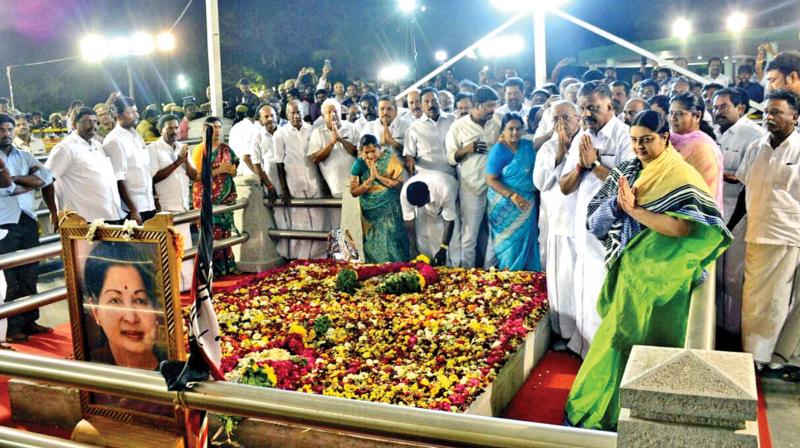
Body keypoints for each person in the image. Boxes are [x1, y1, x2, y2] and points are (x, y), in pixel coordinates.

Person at [565, 110, 731, 430]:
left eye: (647, 140)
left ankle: (651, 415)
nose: (639, 147)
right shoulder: (626, 169)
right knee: (617, 339)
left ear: (665, 137)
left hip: (668, 277)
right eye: (634, 140)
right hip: (631, 271)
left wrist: (635, 210)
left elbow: (683, 230)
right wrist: (616, 205)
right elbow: (594, 222)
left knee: (658, 343)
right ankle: (604, 412)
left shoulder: (681, 174)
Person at [559, 81, 634, 357]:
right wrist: (580, 166)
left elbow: (628, 185)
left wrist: (594, 165)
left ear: (610, 107)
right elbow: (565, 186)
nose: (587, 114)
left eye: (593, 108)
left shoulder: (626, 136)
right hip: (582, 224)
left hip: (612, 229)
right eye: (583, 108)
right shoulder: (582, 138)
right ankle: (584, 347)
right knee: (583, 284)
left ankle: (604, 351)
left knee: (604, 287)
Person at [735, 90, 800, 382]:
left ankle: (773, 357)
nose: (769, 118)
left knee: (779, 301)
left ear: (795, 117)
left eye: (777, 112)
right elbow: (744, 191)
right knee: (754, 299)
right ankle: (753, 356)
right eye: (766, 112)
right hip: (757, 232)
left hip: (788, 234)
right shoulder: (755, 147)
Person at [712, 88, 766, 336]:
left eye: (723, 107)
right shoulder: (717, 134)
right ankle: (720, 326)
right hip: (718, 213)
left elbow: (750, 183)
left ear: (741, 108)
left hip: (738, 217)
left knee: (734, 278)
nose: (717, 112)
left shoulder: (752, 135)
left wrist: (732, 224)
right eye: (715, 107)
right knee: (719, 277)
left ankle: (735, 331)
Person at [0, 113, 54, 343]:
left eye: (9, 129)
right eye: (2, 130)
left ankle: (30, 319)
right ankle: (12, 328)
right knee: (10, 277)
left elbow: (46, 176)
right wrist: (25, 182)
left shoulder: (24, 155)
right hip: (4, 222)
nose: (6, 134)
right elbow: (4, 190)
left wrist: (14, 179)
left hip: (27, 218)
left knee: (30, 272)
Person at [533, 101, 581, 350]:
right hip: (559, 223)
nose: (562, 124)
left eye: (566, 118)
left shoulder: (587, 142)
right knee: (561, 279)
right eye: (556, 119)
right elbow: (540, 182)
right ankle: (562, 331)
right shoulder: (547, 149)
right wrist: (560, 152)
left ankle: (583, 333)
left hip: (584, 224)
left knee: (583, 280)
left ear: (578, 119)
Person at [83, 241, 166, 369]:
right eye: (115, 301)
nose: (131, 318)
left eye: (140, 300)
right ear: (95, 311)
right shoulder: (89, 371)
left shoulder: (174, 364)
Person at [446, 85, 501, 268]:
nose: (492, 110)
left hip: (496, 186)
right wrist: (467, 149)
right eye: (488, 106)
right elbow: (451, 158)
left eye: (494, 105)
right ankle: (468, 275)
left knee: (496, 232)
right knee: (470, 235)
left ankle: (489, 271)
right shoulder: (458, 127)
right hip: (471, 187)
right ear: (476, 105)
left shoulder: (497, 123)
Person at [44, 108, 124, 227]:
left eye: (95, 121)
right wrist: (54, 212)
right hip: (83, 220)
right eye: (87, 121)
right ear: (74, 124)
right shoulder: (65, 148)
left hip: (109, 215)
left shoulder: (97, 145)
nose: (93, 126)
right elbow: (46, 181)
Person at [485, 113, 540, 271]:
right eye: (510, 129)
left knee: (527, 241)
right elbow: (491, 179)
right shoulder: (499, 151)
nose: (515, 132)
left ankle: (528, 282)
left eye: (518, 128)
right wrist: (512, 195)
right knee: (508, 246)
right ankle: (509, 282)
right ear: (503, 130)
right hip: (504, 204)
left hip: (527, 202)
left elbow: (540, 142)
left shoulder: (527, 146)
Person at [274, 100, 327, 260]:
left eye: (298, 112)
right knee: (300, 220)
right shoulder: (280, 134)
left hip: (313, 179)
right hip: (293, 181)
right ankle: (301, 257)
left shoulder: (312, 130)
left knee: (318, 218)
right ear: (286, 114)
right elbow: (279, 162)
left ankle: (319, 255)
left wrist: (324, 182)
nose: (296, 116)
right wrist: (283, 189)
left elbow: (318, 157)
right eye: (292, 113)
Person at [149, 114, 196, 291]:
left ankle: (187, 284)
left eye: (176, 127)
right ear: (161, 129)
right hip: (167, 205)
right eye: (169, 127)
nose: (174, 131)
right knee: (172, 248)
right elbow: (154, 177)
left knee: (186, 246)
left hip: (183, 204)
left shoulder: (182, 148)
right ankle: (174, 286)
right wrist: (177, 162)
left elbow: (193, 176)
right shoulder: (153, 149)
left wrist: (185, 161)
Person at [350, 134, 410, 262]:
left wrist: (378, 177)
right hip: (370, 211)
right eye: (366, 152)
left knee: (392, 237)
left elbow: (399, 185)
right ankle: (377, 272)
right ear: (361, 151)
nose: (371, 155)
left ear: (379, 148)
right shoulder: (358, 164)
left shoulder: (390, 158)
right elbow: (354, 192)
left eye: (373, 151)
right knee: (373, 242)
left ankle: (398, 269)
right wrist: (369, 181)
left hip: (391, 207)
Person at [191, 116, 239, 276]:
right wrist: (219, 171)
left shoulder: (226, 149)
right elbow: (197, 176)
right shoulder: (200, 149)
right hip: (207, 198)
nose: (217, 130)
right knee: (212, 236)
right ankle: (212, 274)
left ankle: (228, 269)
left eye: (219, 127)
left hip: (224, 199)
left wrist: (231, 171)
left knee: (226, 234)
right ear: (205, 130)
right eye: (213, 127)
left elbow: (234, 170)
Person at [668, 93, 724, 213]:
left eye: (679, 114)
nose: (673, 118)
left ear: (697, 116)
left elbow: (698, 195)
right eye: (671, 113)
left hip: (694, 216)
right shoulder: (669, 139)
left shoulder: (701, 147)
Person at [103, 97, 156, 224]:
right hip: (132, 209)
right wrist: (133, 210)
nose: (136, 115)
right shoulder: (114, 140)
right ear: (118, 115)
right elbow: (118, 178)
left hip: (148, 203)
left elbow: (145, 169)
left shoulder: (136, 135)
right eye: (130, 112)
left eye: (135, 111)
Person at [308, 98, 357, 228]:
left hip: (356, 185)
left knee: (357, 224)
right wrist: (332, 142)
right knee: (339, 226)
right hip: (335, 188)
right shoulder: (317, 132)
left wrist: (341, 140)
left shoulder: (352, 127)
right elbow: (314, 159)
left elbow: (360, 153)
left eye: (335, 111)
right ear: (323, 116)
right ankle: (341, 249)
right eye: (329, 112)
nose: (333, 115)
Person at [400, 171, 461, 267]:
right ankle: (436, 266)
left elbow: (449, 221)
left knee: (455, 242)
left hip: (453, 197)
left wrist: (443, 248)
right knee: (429, 238)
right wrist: (413, 248)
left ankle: (456, 267)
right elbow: (409, 220)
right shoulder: (405, 194)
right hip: (429, 199)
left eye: (419, 204)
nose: (418, 207)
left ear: (428, 193)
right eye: (415, 205)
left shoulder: (444, 189)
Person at [403, 87, 456, 177]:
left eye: (434, 100)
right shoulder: (414, 128)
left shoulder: (452, 120)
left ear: (439, 101)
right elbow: (409, 155)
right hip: (425, 175)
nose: (431, 104)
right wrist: (409, 161)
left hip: (450, 174)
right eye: (426, 102)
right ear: (421, 105)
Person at [228, 104, 258, 177]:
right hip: (249, 172)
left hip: (236, 171)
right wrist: (259, 174)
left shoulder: (235, 127)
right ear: (255, 116)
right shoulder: (252, 128)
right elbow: (246, 156)